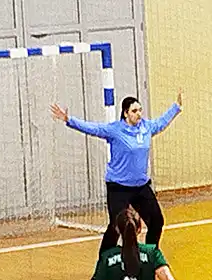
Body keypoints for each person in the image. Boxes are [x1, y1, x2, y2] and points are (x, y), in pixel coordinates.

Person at [51, 92, 183, 253]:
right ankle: (104, 260)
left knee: (157, 221)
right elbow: (94, 128)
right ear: (126, 113)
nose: (139, 114)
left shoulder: (146, 127)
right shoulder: (115, 130)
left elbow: (161, 122)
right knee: (116, 226)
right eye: (134, 111)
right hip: (119, 187)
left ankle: (151, 255)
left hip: (141, 187)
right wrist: (68, 120)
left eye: (140, 110)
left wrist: (176, 107)